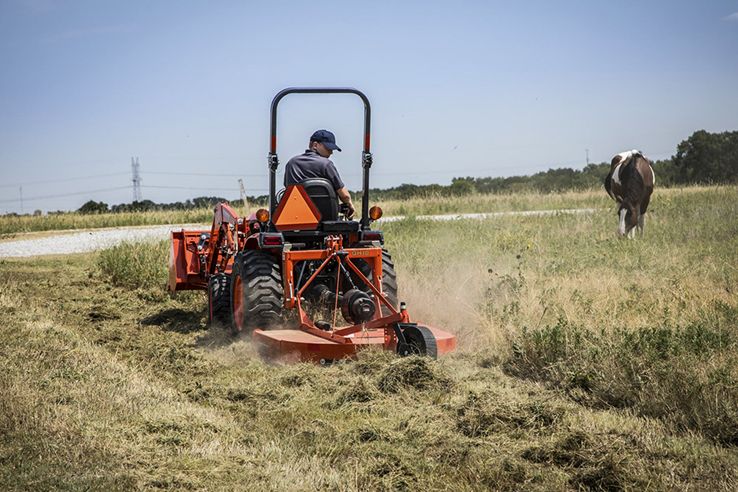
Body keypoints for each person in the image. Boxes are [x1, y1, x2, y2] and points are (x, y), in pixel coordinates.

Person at [284, 129, 355, 219]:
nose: (331, 152)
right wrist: (350, 204)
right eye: (328, 148)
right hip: (326, 219)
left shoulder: (292, 163)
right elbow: (344, 195)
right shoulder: (326, 164)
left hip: (297, 218)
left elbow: (288, 190)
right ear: (315, 145)